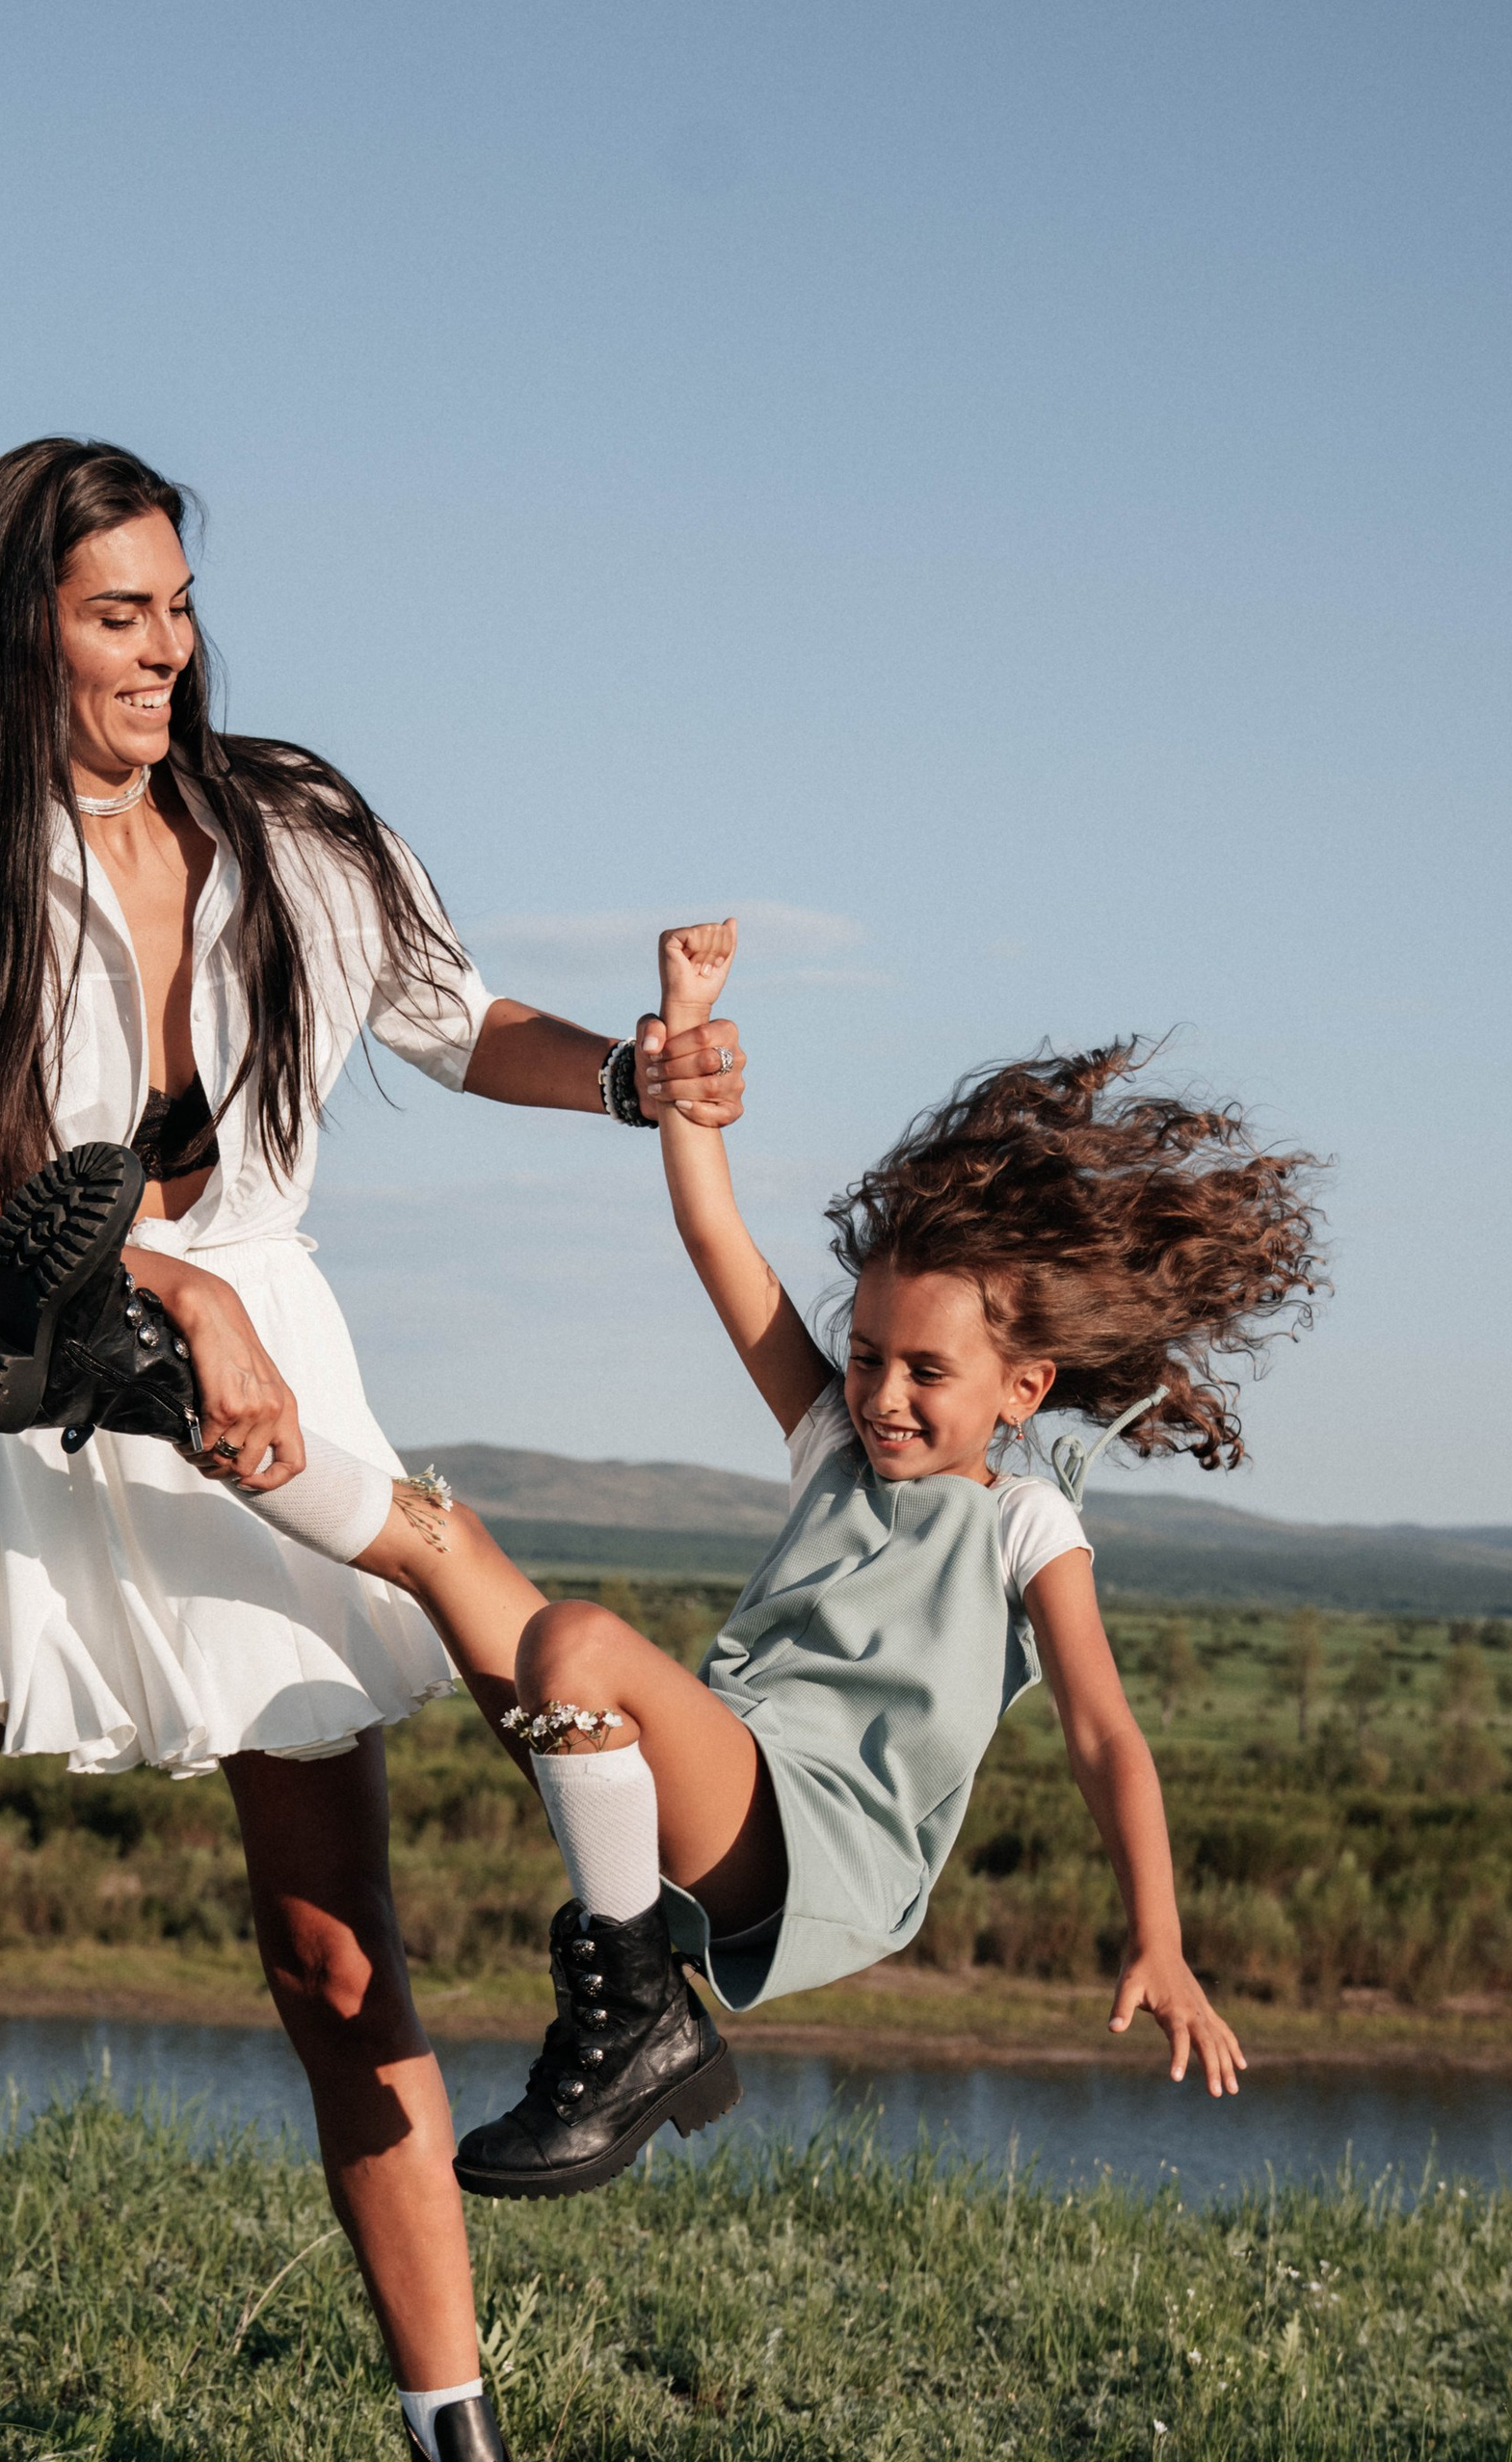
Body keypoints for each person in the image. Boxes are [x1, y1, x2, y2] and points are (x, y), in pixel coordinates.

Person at [0, 439, 743, 2462]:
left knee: (337, 1964)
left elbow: (452, 1015)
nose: (162, 650)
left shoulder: (294, 825)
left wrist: (626, 1075)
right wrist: (147, 1276)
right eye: (111, 614)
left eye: (172, 607)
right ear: (16, 632)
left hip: (263, 1399)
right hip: (32, 1369)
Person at [179, 917, 1326, 2193]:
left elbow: (1106, 1734)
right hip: (723, 1777)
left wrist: (1158, 1939)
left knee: (580, 1643)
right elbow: (717, 1235)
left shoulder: (1024, 1526)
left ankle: (634, 2017)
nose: (885, 1394)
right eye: (869, 1355)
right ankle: (202, 1417)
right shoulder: (834, 1439)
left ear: (1024, 1387)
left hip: (818, 1838)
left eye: (928, 1372)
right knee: (447, 1541)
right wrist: (677, 1027)